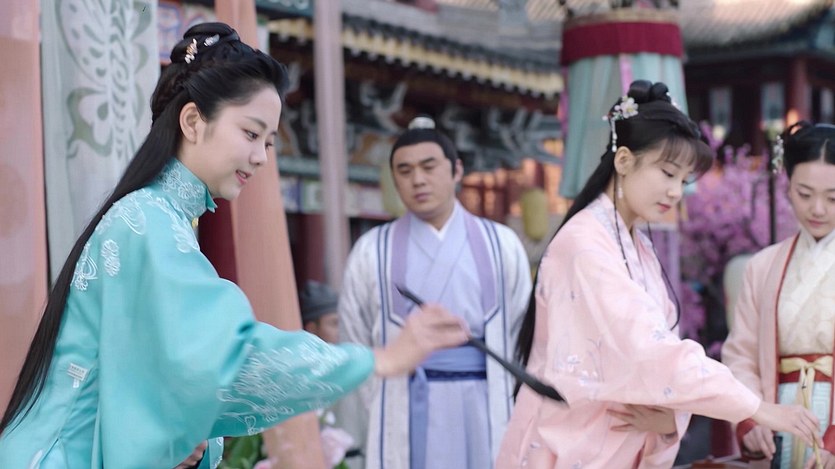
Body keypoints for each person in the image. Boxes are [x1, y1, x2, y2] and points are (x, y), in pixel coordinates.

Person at [0, 23, 468, 469]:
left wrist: (180, 438)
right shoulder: (146, 221)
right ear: (192, 121)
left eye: (269, 142)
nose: (261, 157)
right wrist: (379, 359)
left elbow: (159, 375)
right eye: (250, 133)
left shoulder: (156, 218)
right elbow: (229, 356)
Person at [495, 80, 822, 469]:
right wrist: (756, 409)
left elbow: (661, 350)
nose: (675, 192)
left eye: (682, 180)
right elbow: (649, 348)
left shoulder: (637, 245)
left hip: (617, 442)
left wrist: (671, 419)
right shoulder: (584, 245)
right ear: (623, 161)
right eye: (667, 173)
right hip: (575, 441)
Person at [338, 116, 532, 469]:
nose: (418, 180)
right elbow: (356, 340)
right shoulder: (371, 251)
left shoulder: (502, 245)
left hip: (485, 404)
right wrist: (375, 414)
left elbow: (524, 337)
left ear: (456, 170)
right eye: (405, 171)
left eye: (429, 167)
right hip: (404, 404)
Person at [723, 121, 835, 468]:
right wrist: (753, 416)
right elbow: (741, 354)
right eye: (805, 194)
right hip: (778, 416)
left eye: (833, 197)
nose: (818, 209)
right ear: (787, 187)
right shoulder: (763, 266)